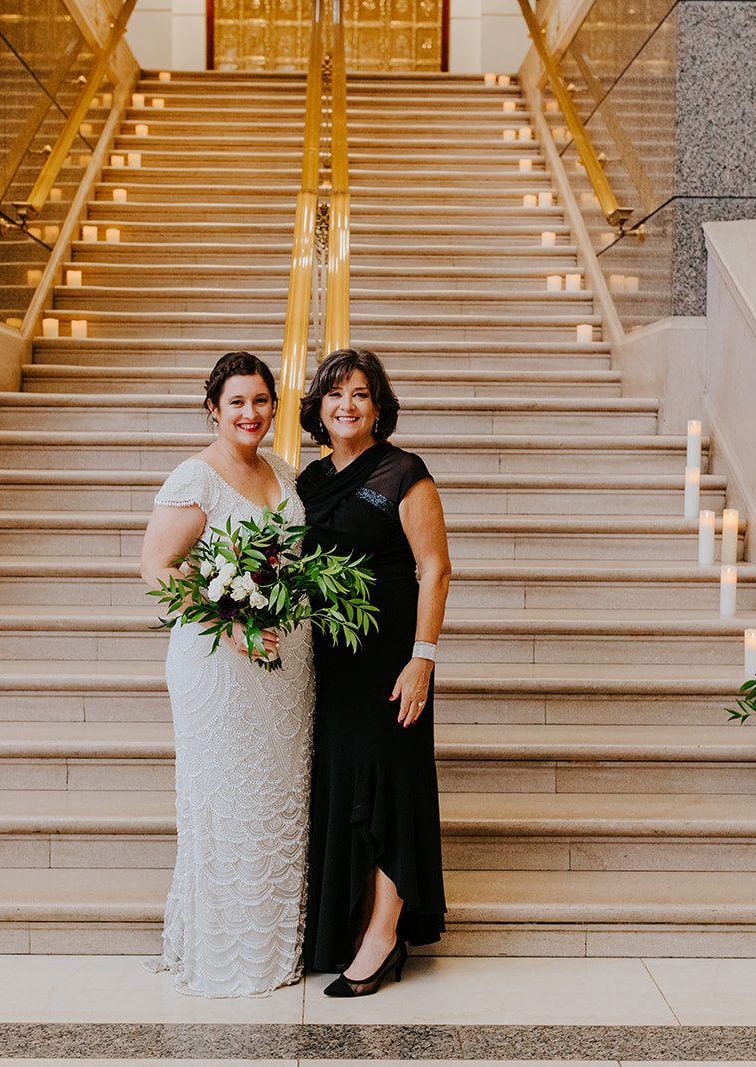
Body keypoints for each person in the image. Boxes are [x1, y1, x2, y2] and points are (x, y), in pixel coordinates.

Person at [138, 351, 314, 997]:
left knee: (276, 797)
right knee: (228, 798)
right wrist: (230, 622)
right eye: (237, 402)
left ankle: (274, 944)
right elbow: (158, 567)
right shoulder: (196, 475)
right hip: (219, 662)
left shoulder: (282, 469)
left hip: (287, 661)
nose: (251, 413)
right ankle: (224, 952)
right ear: (213, 407)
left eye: (262, 401)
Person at [296, 347, 451, 997]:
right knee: (343, 783)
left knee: (393, 783)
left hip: (392, 654)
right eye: (334, 395)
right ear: (318, 408)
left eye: (359, 393)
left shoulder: (403, 472)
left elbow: (435, 568)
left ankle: (385, 934)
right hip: (330, 658)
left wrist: (423, 657)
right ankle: (349, 923)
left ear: (378, 405)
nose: (346, 405)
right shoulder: (307, 481)